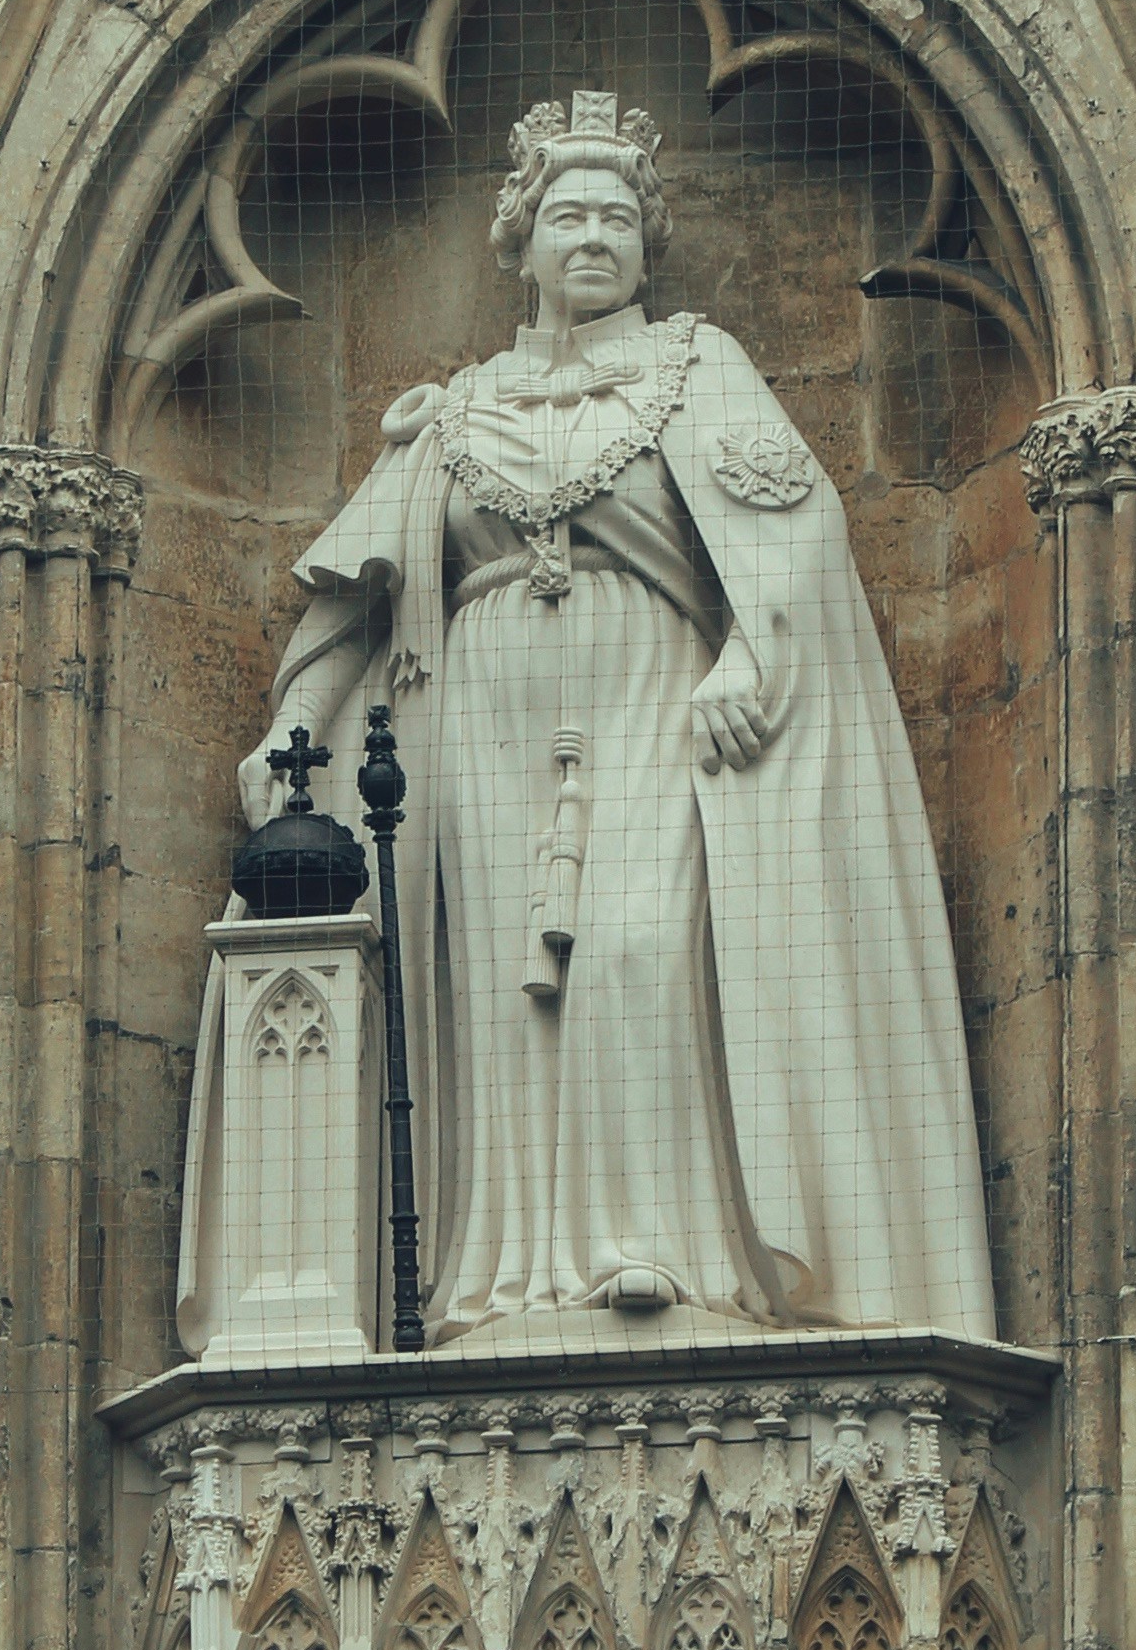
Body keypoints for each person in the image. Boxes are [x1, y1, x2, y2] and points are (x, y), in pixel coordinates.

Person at [245, 89, 996, 1347]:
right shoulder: (457, 407)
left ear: (647, 244)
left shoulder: (699, 367)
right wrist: (298, 730)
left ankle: (659, 1242)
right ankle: (501, 1280)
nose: (594, 237)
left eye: (617, 220)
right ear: (522, 240)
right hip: (480, 717)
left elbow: (795, 536)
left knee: (639, 951)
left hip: (655, 694)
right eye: (569, 216)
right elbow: (353, 590)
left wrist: (756, 653)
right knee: (504, 989)